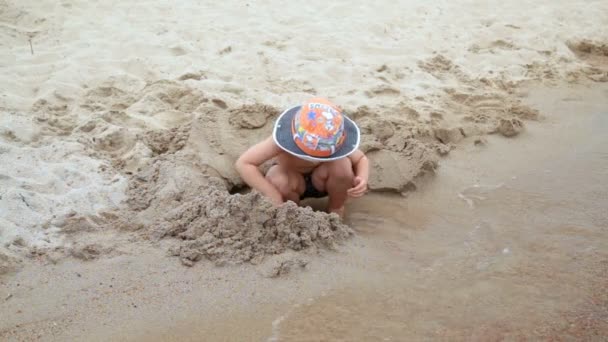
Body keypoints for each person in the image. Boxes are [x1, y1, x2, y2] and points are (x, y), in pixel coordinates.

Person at [235, 98, 370, 217]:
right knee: (277, 178)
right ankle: (290, 213)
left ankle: (336, 208)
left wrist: (362, 178)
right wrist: (272, 194)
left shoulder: (333, 137)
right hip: (292, 182)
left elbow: (360, 159)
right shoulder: (282, 140)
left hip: (322, 181)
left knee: (342, 165)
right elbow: (244, 163)